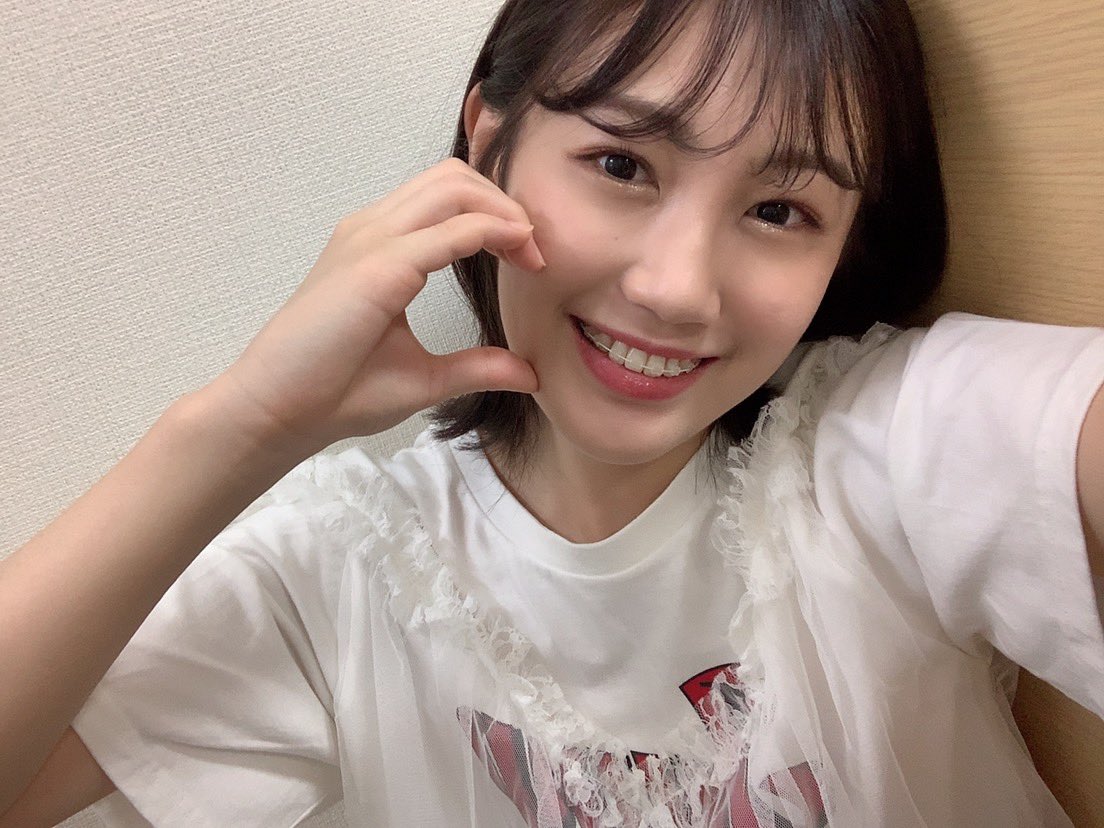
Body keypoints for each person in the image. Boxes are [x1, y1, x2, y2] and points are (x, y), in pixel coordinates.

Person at [2, 0, 1103, 825]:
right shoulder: (341, 566)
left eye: (780, 210)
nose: (678, 288)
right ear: (489, 140)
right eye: (621, 162)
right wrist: (242, 424)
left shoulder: (883, 445)